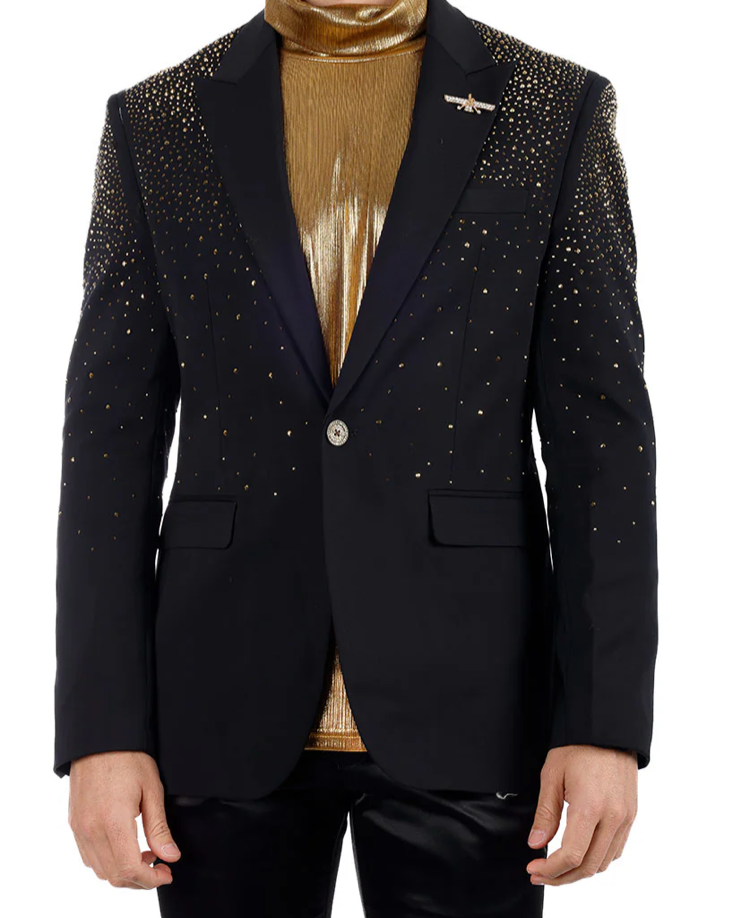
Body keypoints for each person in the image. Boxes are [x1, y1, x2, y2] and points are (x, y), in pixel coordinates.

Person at [54, 0, 658, 914]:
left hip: (476, 700)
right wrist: (101, 729)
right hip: (221, 692)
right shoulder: (159, 119)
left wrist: (604, 721)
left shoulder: (550, 105)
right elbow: (107, 444)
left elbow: (602, 446)